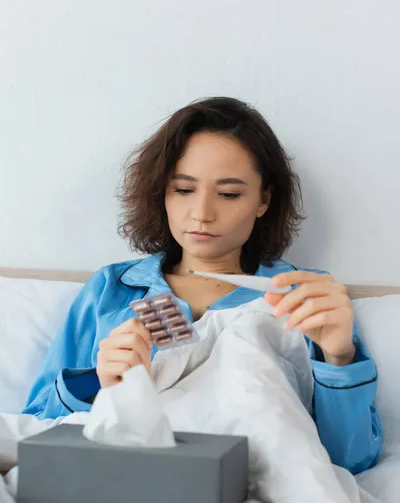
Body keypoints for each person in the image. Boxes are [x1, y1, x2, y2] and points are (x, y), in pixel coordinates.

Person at [23, 96, 382, 474]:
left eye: (228, 194)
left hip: (254, 489)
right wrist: (95, 381)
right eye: (183, 189)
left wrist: (339, 358)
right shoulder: (113, 289)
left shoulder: (306, 298)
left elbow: (351, 461)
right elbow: (32, 428)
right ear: (161, 191)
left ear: (264, 200)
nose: (202, 214)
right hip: (125, 479)